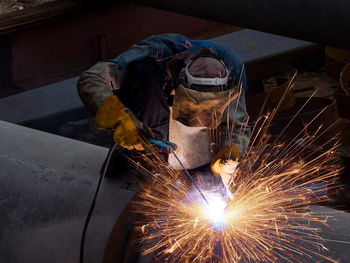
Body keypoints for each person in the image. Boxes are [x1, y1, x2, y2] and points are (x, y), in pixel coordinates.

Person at [77, 33, 250, 195]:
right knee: (142, 72)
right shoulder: (156, 53)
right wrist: (119, 119)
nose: (200, 119)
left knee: (231, 171)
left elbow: (238, 125)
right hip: (153, 114)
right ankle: (147, 163)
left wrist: (232, 149)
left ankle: (206, 174)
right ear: (178, 81)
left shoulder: (233, 69)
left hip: (203, 150)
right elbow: (91, 78)